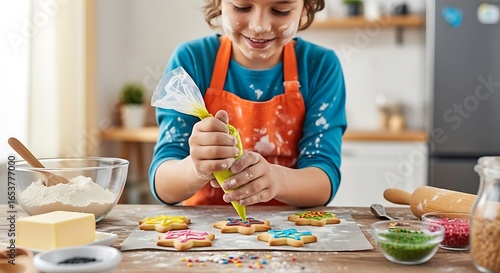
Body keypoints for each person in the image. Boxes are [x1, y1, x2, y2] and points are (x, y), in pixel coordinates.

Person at [149, 0, 347, 208]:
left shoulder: (320, 66)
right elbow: (163, 185)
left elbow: (323, 181)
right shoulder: (192, 60)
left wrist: (277, 179)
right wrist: (196, 168)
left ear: (306, 6)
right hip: (205, 233)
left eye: (281, 11)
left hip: (290, 232)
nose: (258, 26)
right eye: (241, 7)